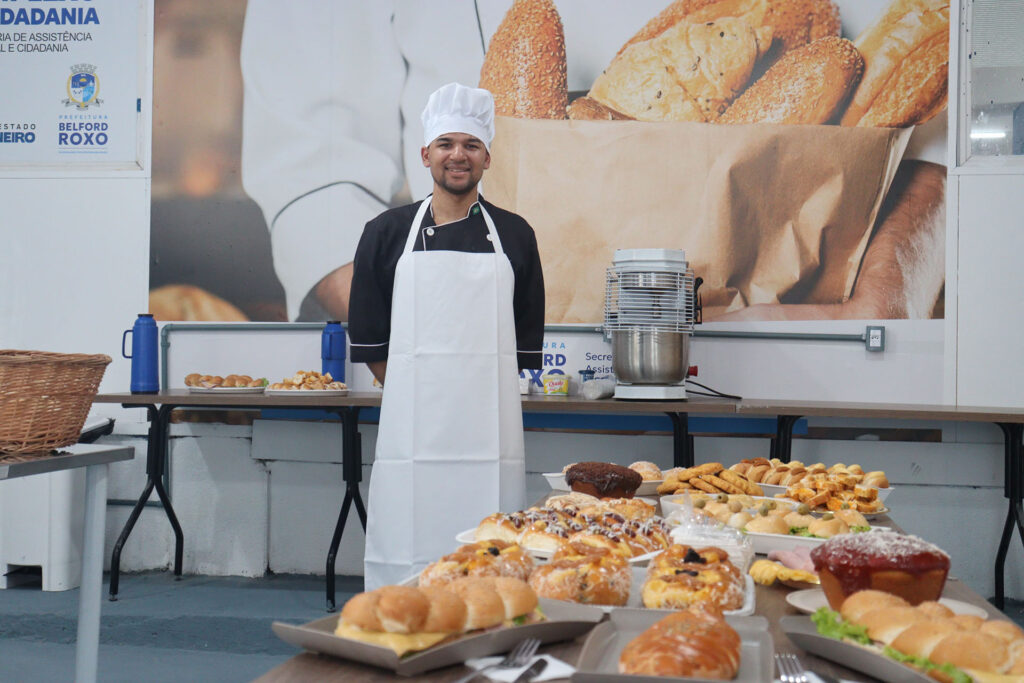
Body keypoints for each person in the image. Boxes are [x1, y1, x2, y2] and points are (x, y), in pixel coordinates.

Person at [240, 0, 947, 325]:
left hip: (806, 346)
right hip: (473, 347)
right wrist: (401, 322)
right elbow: (312, 146)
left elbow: (944, 57)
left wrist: (891, 284)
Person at [350, 83, 544, 589]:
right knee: (411, 529)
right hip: (413, 422)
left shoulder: (516, 234)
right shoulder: (386, 232)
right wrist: (417, 391)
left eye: (471, 146)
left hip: (490, 423)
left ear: (487, 158)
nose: (458, 156)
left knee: (490, 536)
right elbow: (369, 328)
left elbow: (524, 332)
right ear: (425, 155)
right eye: (446, 145)